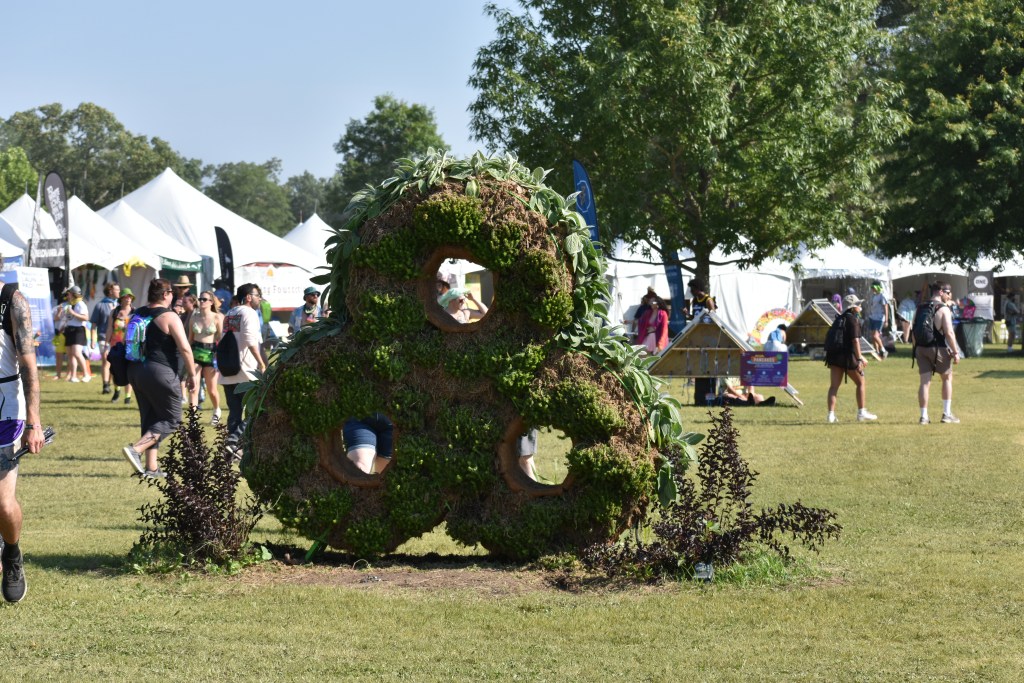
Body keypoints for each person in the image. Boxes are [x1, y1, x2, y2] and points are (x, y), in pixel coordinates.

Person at [121, 278, 197, 478]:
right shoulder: (169, 316)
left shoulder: (138, 313)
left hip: (136, 370)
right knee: (172, 419)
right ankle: (135, 449)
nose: (173, 296)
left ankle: (151, 468)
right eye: (171, 292)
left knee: (151, 417)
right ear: (165, 294)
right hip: (159, 371)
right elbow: (185, 349)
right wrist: (192, 375)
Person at [0, 284, 46, 603]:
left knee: (3, 503)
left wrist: (34, 422)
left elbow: (28, 366)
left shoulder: (12, 301)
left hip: (5, 407)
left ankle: (12, 553)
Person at [220, 283, 267, 457]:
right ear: (248, 297)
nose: (259, 298)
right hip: (245, 369)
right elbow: (249, 339)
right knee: (256, 410)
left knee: (234, 412)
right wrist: (261, 363)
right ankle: (235, 441)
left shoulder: (230, 313)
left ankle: (231, 452)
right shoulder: (249, 313)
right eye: (257, 295)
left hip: (228, 370)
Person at [914, 282, 962, 425]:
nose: (950, 296)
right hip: (938, 348)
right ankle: (947, 414)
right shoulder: (943, 309)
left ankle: (923, 417)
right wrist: (955, 352)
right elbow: (949, 332)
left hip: (921, 348)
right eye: (948, 293)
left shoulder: (920, 307)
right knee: (947, 378)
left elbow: (913, 329)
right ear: (941, 292)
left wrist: (916, 348)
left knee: (924, 383)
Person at [825, 294, 877, 423]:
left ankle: (830, 415)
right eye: (858, 305)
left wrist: (860, 356)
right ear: (853, 307)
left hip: (834, 356)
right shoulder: (853, 320)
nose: (860, 307)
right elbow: (855, 341)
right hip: (847, 357)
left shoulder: (839, 318)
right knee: (861, 382)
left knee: (834, 386)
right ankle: (861, 412)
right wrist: (859, 359)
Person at [188, 290, 224, 425]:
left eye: (204, 299)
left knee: (212, 389)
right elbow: (190, 340)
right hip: (196, 353)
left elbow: (221, 338)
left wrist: (218, 355)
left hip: (211, 353)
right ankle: (193, 418)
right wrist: (187, 357)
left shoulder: (217, 317)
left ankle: (216, 410)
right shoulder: (194, 317)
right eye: (200, 299)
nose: (201, 301)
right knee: (193, 387)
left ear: (211, 302)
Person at [105, 288, 135, 404]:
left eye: (130, 297)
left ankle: (127, 397)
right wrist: (106, 344)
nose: (128, 299)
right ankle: (117, 391)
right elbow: (109, 328)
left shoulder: (135, 312)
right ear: (121, 298)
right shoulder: (114, 312)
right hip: (115, 345)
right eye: (126, 297)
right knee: (115, 369)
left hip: (129, 345)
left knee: (129, 370)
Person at [91, 281, 120, 394]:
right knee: (106, 360)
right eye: (117, 290)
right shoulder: (100, 305)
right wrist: (93, 340)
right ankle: (106, 385)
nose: (119, 292)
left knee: (115, 363)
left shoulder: (120, 305)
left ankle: (115, 385)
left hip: (117, 338)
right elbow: (93, 325)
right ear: (110, 291)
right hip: (103, 337)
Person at [61, 286, 92, 383]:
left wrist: (73, 313)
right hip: (69, 329)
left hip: (78, 330)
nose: (67, 295)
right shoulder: (70, 304)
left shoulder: (80, 304)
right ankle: (73, 376)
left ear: (73, 294)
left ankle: (86, 374)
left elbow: (86, 318)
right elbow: (69, 318)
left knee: (77, 353)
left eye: (69, 293)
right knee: (70, 354)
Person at [866, 281, 889, 360]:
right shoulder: (874, 296)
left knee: (876, 336)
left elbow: (886, 307)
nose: (872, 289)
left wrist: (886, 320)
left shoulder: (882, 296)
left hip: (879, 318)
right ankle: (877, 352)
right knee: (873, 337)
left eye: (874, 288)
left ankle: (883, 350)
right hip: (872, 317)